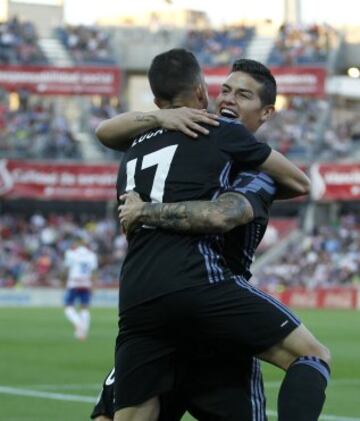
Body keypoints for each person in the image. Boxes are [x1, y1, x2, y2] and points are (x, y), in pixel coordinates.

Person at [98, 50, 330, 421]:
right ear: (203, 92)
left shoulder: (139, 144)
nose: (228, 99)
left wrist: (144, 210)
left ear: (267, 112)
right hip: (204, 291)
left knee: (119, 412)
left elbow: (104, 131)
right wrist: (162, 116)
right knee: (311, 354)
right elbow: (297, 183)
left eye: (243, 95)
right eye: (226, 90)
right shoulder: (217, 133)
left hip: (143, 297)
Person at [63, 237, 98, 340]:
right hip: (86, 283)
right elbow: (94, 272)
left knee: (68, 307)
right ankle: (83, 333)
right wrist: (93, 286)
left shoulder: (71, 253)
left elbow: (66, 268)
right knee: (84, 308)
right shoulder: (91, 255)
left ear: (77, 243)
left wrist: (63, 281)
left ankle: (78, 324)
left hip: (74, 282)